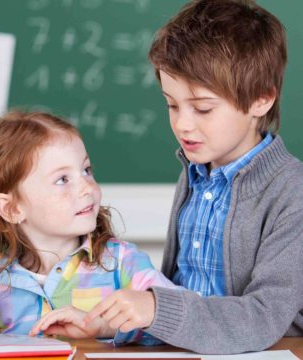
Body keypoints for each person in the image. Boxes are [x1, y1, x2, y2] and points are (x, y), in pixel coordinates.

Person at [84, 0, 303, 354]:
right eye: (172, 105)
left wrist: (157, 308)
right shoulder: (195, 173)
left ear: (261, 100)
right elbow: (179, 290)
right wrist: (116, 321)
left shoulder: (293, 193)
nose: (183, 124)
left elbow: (265, 316)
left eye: (202, 108)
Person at [0, 111, 176, 343]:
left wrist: (105, 327)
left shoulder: (124, 262)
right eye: (63, 179)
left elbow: (180, 320)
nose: (86, 187)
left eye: (86, 170)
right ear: (12, 209)